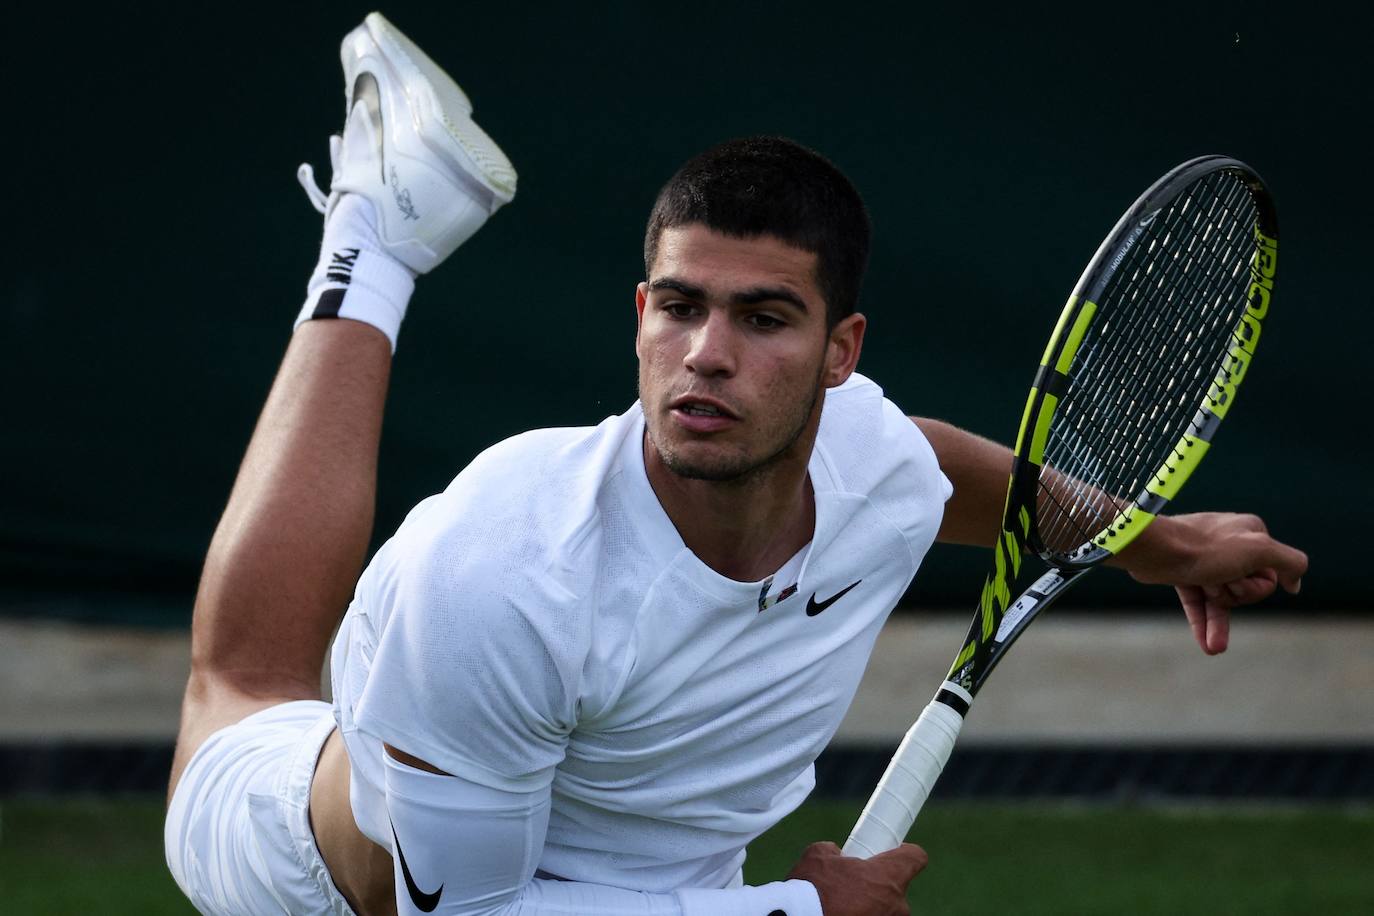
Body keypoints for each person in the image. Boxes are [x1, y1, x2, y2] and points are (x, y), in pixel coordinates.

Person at [164, 13, 1308, 916]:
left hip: (670, 888)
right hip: (338, 889)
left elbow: (953, 475)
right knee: (245, 688)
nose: (706, 355)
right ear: (640, 315)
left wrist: (1160, 541)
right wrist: (797, 912)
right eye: (680, 306)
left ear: (839, 353)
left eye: (764, 318)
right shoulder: (504, 575)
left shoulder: (872, 466)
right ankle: (379, 234)